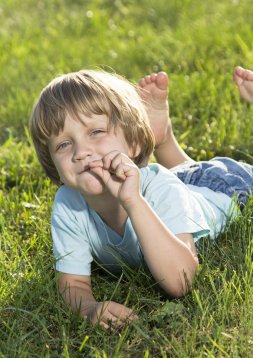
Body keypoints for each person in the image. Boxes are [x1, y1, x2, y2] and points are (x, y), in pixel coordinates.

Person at [29, 66, 253, 329]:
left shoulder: (161, 188)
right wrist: (89, 309)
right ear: (54, 165)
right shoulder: (68, 204)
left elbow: (180, 281)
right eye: (64, 144)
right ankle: (162, 137)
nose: (81, 151)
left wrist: (133, 201)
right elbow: (74, 284)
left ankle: (162, 138)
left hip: (221, 187)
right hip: (176, 184)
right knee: (181, 173)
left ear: (133, 144)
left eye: (96, 132)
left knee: (187, 174)